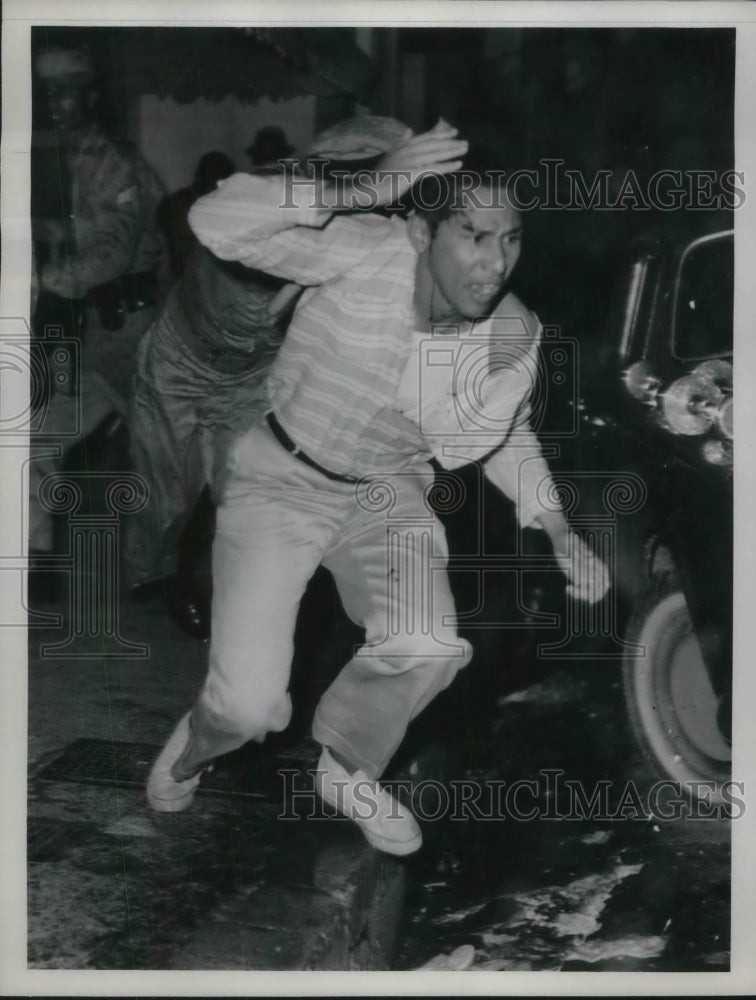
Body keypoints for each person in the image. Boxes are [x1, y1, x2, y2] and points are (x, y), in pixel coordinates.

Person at [146, 117, 609, 856]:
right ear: (422, 233)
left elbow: (504, 434)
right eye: (474, 235)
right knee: (249, 706)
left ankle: (347, 766)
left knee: (429, 643)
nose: (496, 263)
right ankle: (197, 743)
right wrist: (362, 185)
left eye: (511, 239)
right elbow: (215, 220)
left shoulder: (508, 332)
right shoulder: (363, 249)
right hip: (282, 478)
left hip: (386, 492)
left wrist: (555, 526)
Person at [29, 44, 167, 600]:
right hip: (91, 328)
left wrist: (41, 279)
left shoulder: (113, 162)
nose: (56, 104)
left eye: (68, 92)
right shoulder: (49, 159)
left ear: (90, 96)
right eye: (48, 93)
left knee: (160, 458)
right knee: (35, 436)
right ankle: (38, 559)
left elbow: (113, 252)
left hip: (137, 330)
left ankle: (159, 573)